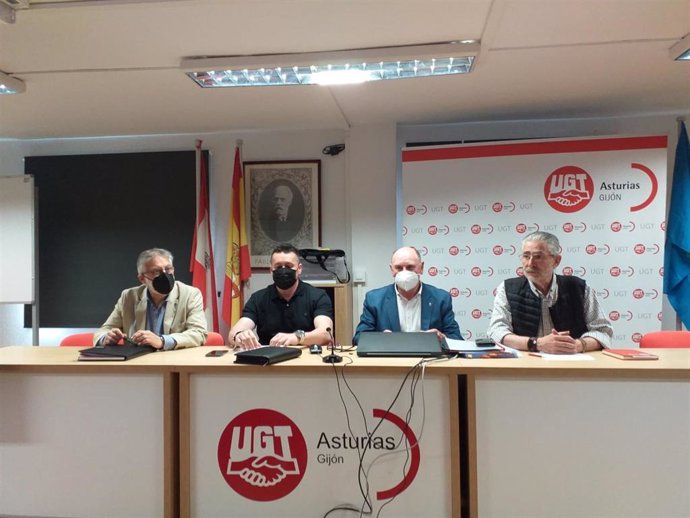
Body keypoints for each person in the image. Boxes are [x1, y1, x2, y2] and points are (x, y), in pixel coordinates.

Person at [487, 231, 612, 354]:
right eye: (526, 256)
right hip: (525, 364)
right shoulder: (508, 288)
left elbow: (602, 331)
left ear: (556, 260)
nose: (530, 263)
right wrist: (537, 344)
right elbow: (497, 331)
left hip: (573, 364)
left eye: (538, 257)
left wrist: (578, 345)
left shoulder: (579, 287)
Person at [94, 248, 207, 349]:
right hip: (137, 364)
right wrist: (106, 338)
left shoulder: (190, 294)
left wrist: (162, 341)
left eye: (168, 269)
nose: (164, 275)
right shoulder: (128, 296)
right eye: (155, 271)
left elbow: (199, 333)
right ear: (142, 278)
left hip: (174, 362)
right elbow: (103, 330)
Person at [229, 243, 334, 349]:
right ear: (271, 270)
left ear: (299, 269)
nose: (283, 270)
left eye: (288, 266)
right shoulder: (258, 298)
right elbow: (233, 334)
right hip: (268, 360)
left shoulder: (318, 296)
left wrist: (296, 337)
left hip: (306, 358)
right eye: (278, 267)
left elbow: (325, 334)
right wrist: (239, 336)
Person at [353, 246, 462, 344]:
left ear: (421, 267)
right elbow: (358, 338)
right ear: (392, 270)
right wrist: (380, 338)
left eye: (410, 267)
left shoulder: (441, 298)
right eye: (399, 268)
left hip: (428, 362)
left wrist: (441, 338)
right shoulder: (374, 299)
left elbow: (457, 339)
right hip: (390, 362)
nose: (404, 273)